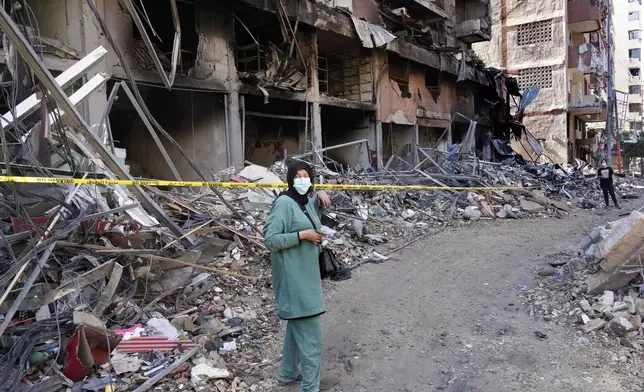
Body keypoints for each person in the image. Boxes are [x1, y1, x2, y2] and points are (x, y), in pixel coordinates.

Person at [264, 161, 331, 392]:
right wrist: (301, 235)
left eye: (307, 175)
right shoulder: (284, 203)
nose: (303, 179)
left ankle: (287, 374)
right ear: (290, 179)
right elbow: (270, 240)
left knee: (297, 327)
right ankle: (310, 388)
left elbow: (312, 218)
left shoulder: (304, 202)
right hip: (295, 283)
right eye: (298, 176)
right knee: (311, 338)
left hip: (307, 278)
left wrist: (320, 194)